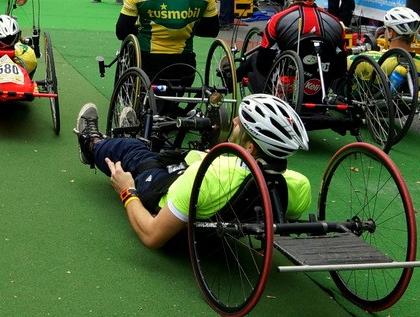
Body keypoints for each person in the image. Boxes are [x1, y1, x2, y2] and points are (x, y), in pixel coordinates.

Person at [74, 94, 311, 249]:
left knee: (134, 152)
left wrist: (127, 191)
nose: (234, 121)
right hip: (209, 204)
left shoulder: (205, 178)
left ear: (249, 148)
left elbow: (152, 235)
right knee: (168, 152)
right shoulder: (298, 186)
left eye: (242, 124)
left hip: (163, 193)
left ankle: (91, 143)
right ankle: (127, 139)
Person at [242, 0, 347, 96]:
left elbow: (263, 63)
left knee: (255, 59)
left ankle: (229, 80)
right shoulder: (335, 23)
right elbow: (340, 67)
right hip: (320, 87)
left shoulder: (277, 20)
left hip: (284, 86)